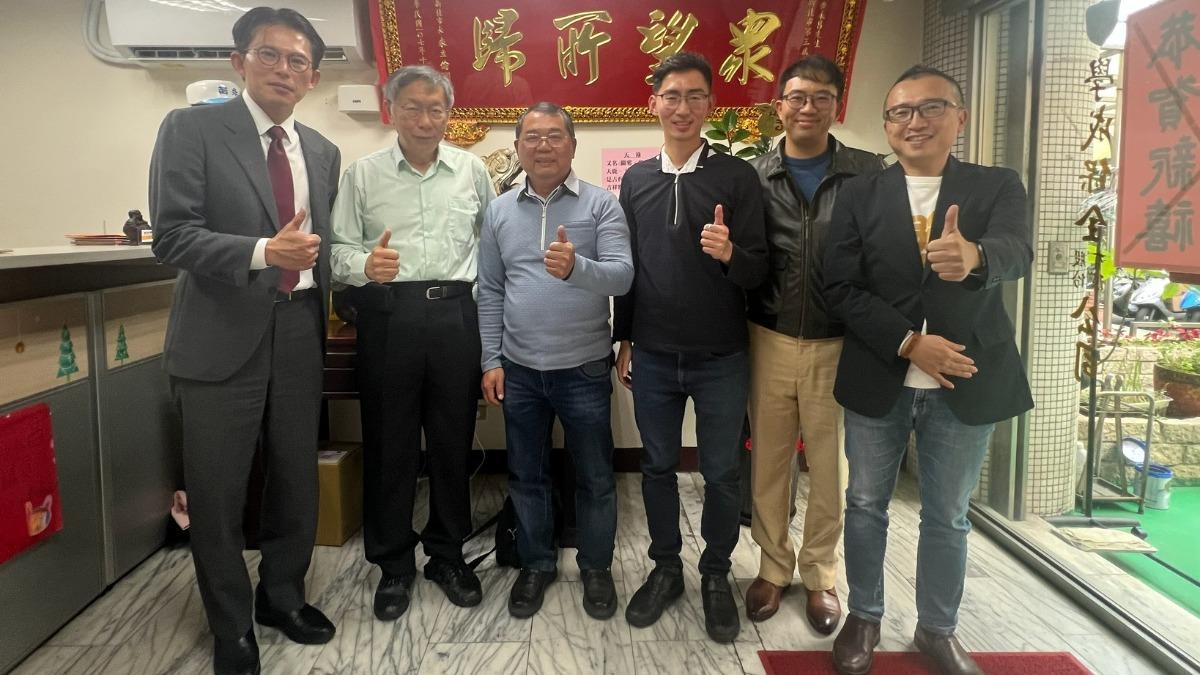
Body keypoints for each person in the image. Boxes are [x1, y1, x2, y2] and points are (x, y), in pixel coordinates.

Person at [149, 7, 340, 675]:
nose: (284, 69)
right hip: (218, 332)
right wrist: (263, 250)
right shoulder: (192, 129)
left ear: (313, 77)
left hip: (299, 327)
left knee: (294, 477)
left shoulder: (322, 150)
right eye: (269, 55)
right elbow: (171, 236)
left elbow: (324, 245)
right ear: (239, 62)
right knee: (218, 488)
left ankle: (282, 597)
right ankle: (231, 625)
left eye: (297, 61)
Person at [824, 65, 1033, 675]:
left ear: (959, 118)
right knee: (865, 503)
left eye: (931, 108)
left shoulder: (997, 185)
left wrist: (977, 256)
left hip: (966, 376)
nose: (914, 121)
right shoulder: (860, 194)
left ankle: (937, 629)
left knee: (949, 515)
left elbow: (1018, 252)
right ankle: (864, 616)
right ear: (888, 124)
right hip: (879, 372)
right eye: (900, 111)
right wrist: (910, 342)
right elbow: (840, 286)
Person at [330, 65, 495, 622]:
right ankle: (393, 565)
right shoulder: (363, 175)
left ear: (449, 114)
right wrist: (364, 265)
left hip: (456, 314)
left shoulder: (472, 170)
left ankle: (448, 556)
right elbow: (336, 251)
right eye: (412, 108)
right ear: (391, 110)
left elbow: (491, 249)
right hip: (389, 315)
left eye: (435, 109)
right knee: (389, 445)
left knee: (453, 442)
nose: (425, 120)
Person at [614, 52, 768, 644]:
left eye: (695, 96)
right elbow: (628, 268)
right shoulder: (635, 180)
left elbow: (760, 270)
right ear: (653, 102)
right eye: (672, 95)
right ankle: (665, 569)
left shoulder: (737, 177)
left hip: (721, 355)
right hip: (653, 354)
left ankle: (715, 573)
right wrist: (624, 338)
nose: (682, 107)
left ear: (711, 105)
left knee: (722, 472)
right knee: (656, 467)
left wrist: (731, 254)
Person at [744, 55, 885, 632]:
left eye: (821, 97)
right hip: (769, 335)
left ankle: (821, 574)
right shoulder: (754, 175)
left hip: (838, 339)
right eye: (797, 97)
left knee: (830, 468)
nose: (808, 108)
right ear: (779, 106)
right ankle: (773, 567)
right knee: (769, 463)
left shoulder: (867, 172)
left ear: (836, 106)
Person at [476, 102, 633, 620]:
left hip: (584, 368)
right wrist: (491, 358)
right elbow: (491, 290)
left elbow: (622, 276)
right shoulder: (499, 211)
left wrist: (576, 268)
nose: (543, 146)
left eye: (554, 136)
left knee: (595, 476)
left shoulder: (601, 204)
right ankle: (536, 564)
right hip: (519, 369)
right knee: (527, 474)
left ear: (572, 144)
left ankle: (596, 568)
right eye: (532, 137)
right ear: (517, 147)